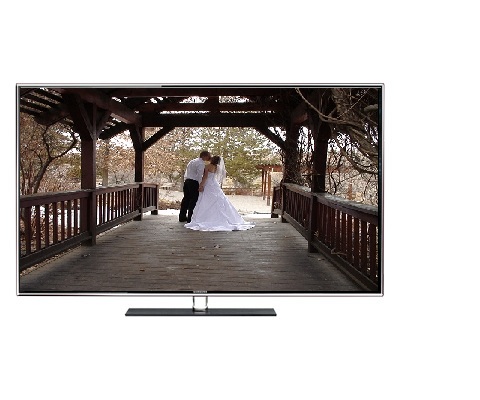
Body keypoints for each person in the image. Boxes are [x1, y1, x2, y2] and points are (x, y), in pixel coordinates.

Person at [184, 156, 255, 231]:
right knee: (218, 200)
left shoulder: (207, 166)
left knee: (206, 200)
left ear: (212, 159)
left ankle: (207, 218)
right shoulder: (217, 167)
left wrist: (201, 185)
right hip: (214, 184)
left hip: (208, 184)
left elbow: (205, 177)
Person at [179, 151, 211, 223]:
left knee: (186, 199)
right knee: (193, 200)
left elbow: (187, 171)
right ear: (205, 156)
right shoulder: (201, 163)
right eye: (208, 157)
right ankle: (190, 218)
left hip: (187, 181)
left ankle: (182, 216)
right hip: (194, 182)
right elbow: (199, 175)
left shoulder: (192, 161)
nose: (208, 158)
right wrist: (200, 185)